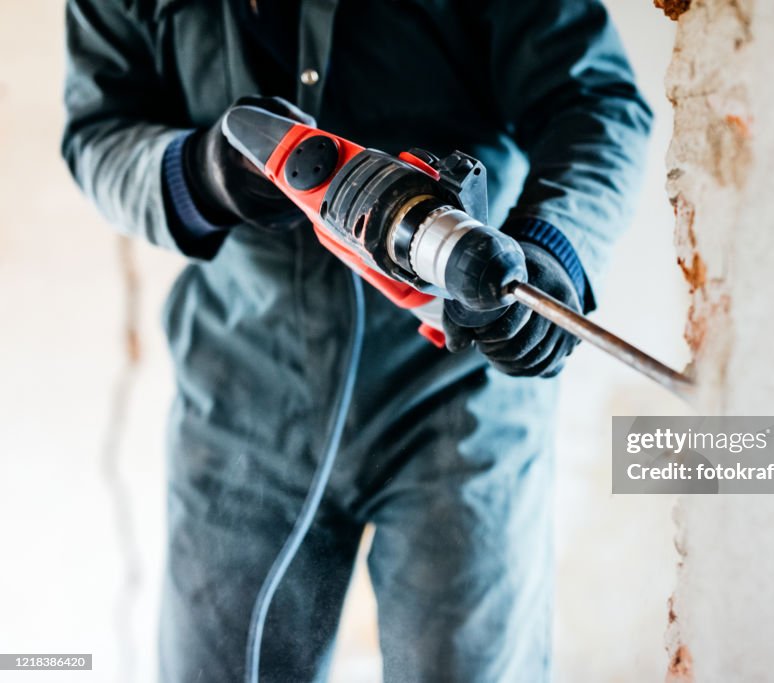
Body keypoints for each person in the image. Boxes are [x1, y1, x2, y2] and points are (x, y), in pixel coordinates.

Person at [62, 0, 651, 680]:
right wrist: (198, 174)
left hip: (457, 400)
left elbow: (594, 99)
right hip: (240, 394)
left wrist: (555, 248)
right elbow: (99, 131)